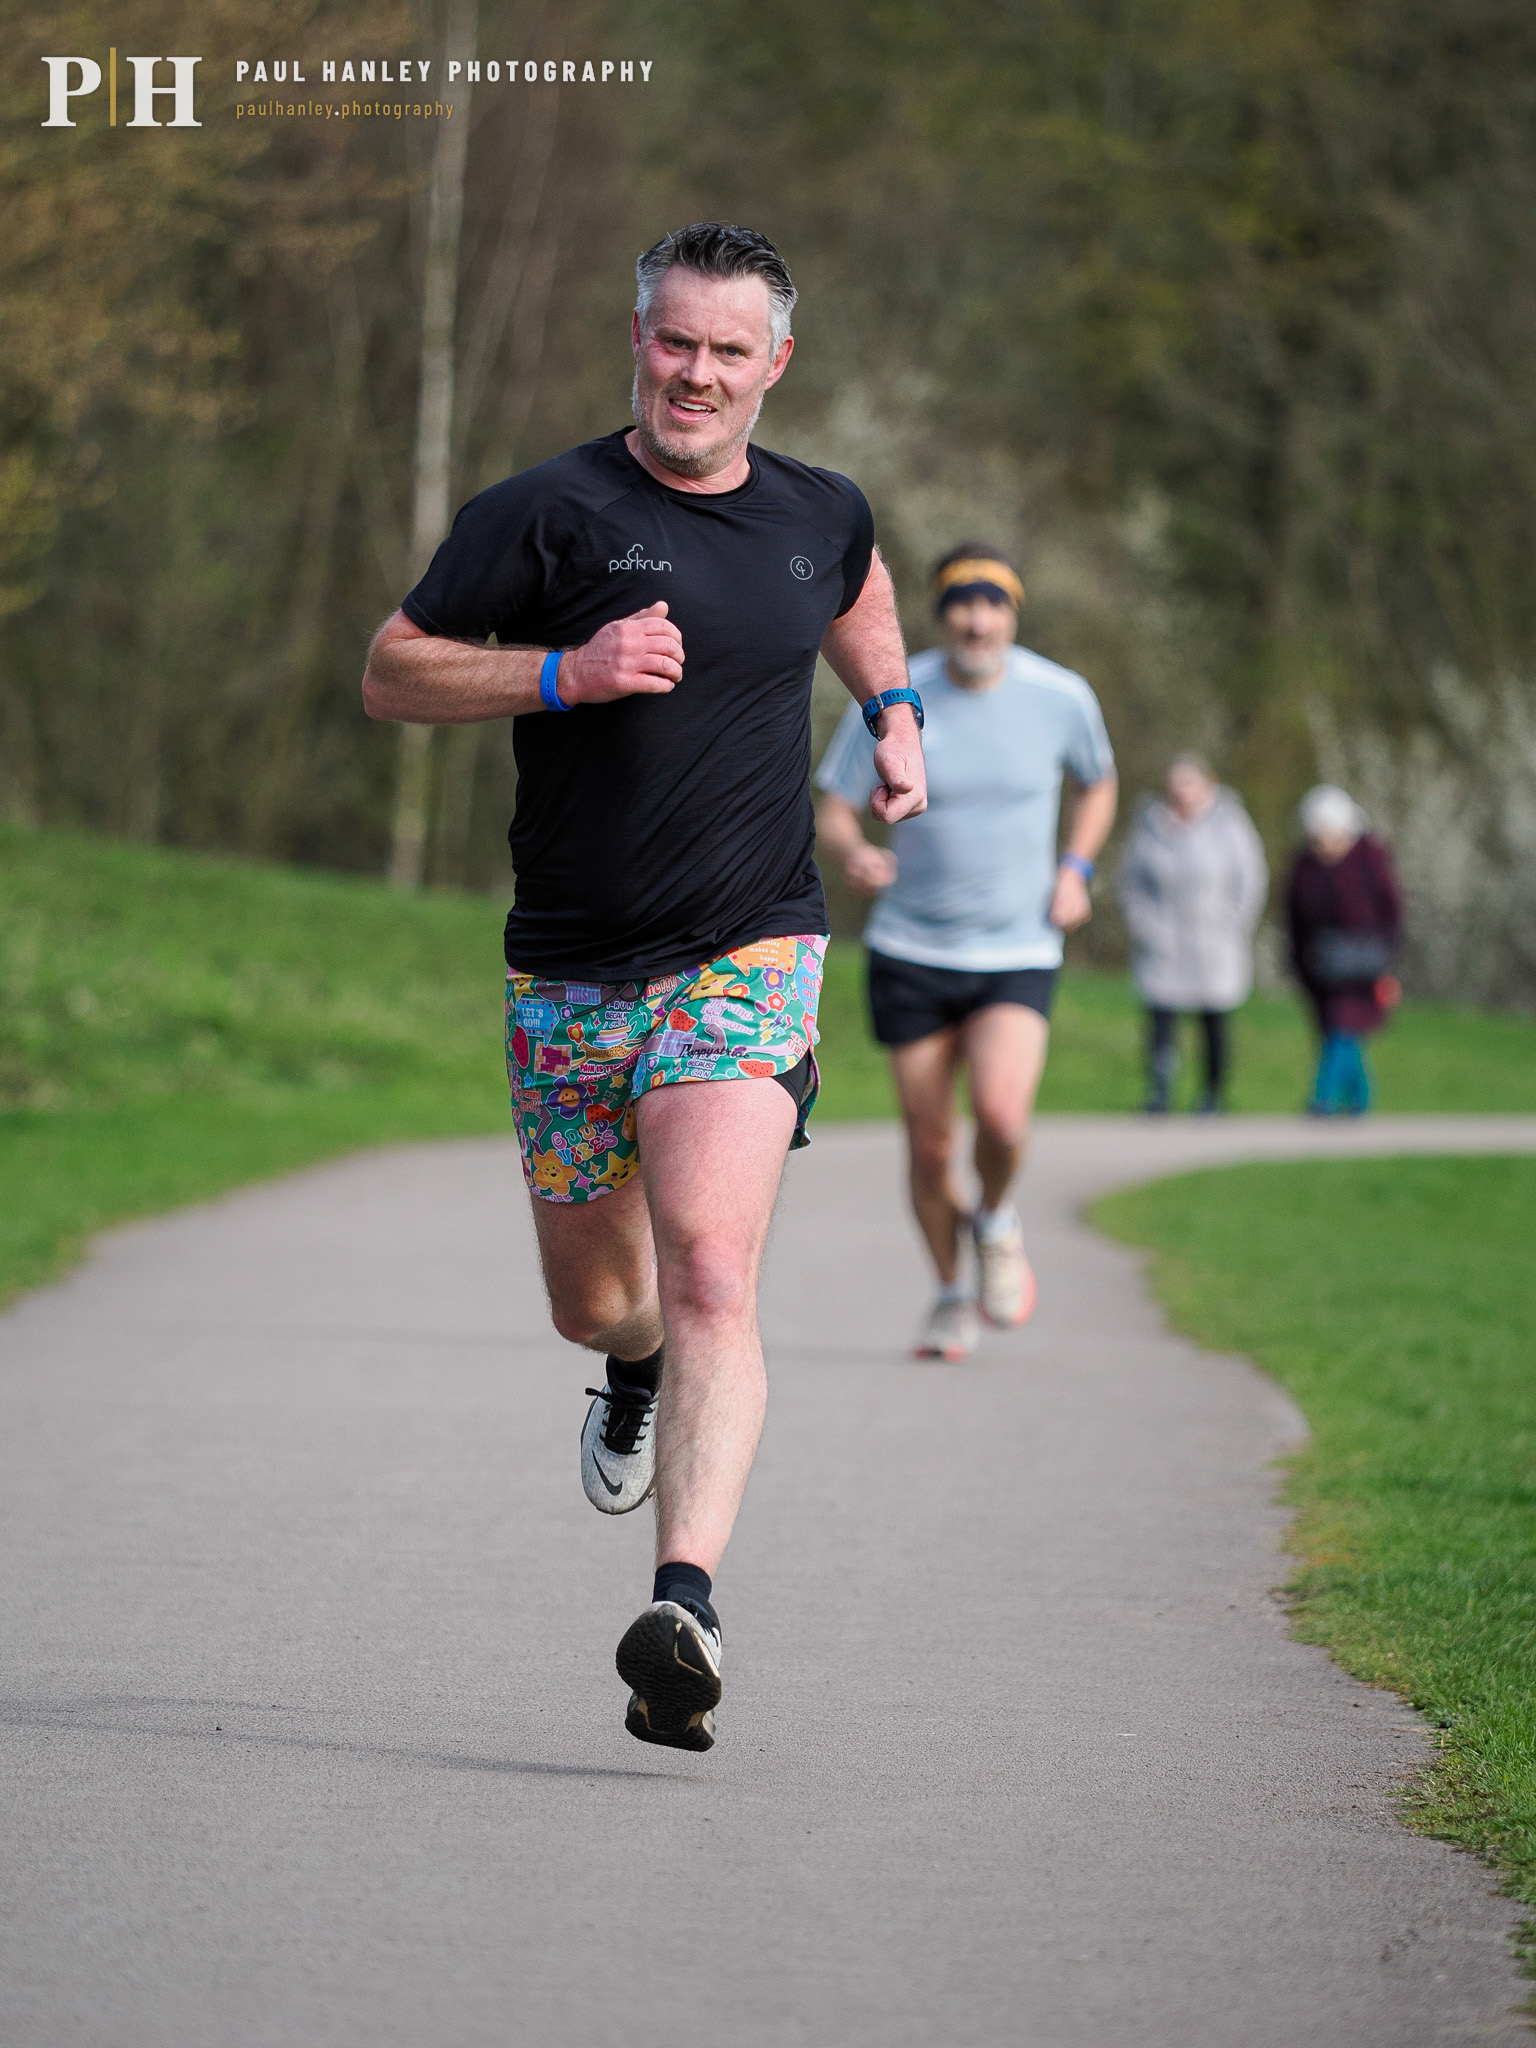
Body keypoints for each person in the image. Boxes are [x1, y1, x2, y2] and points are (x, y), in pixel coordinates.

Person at [361, 222, 926, 1752]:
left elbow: (857, 592)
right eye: (675, 342)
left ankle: (683, 1607)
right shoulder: (543, 513)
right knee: (603, 1302)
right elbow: (393, 670)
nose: (697, 372)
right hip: (568, 968)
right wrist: (564, 672)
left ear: (775, 365)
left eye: (728, 351)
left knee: (716, 1266)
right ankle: (630, 1372)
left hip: (748, 948)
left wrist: (897, 713)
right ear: (639, 342)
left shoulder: (820, 511)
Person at [815, 544, 1117, 1362]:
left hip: (1018, 945)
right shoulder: (895, 698)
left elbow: (1100, 781)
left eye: (992, 604)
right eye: (961, 603)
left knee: (1002, 1115)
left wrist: (1076, 870)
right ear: (940, 613)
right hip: (912, 948)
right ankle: (950, 1294)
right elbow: (835, 805)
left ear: (1013, 614)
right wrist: (853, 853)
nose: (976, 619)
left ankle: (996, 1218)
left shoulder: (1061, 697)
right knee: (929, 1145)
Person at [1118, 754, 1269, 1113]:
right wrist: (1145, 926)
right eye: (1175, 785)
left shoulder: (1230, 823)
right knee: (1161, 1024)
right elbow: (1131, 883)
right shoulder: (1150, 824)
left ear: (1208, 785)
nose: (1181, 792)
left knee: (1213, 1023)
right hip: (1164, 943)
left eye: (1189, 784)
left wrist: (1232, 922)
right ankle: (1160, 1091)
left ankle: (1212, 1094)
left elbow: (1250, 878)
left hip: (1214, 942)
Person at [1286, 784, 1403, 1115]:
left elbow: (1391, 910)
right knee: (1338, 1030)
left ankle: (1321, 1097)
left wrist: (1387, 955)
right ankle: (1360, 1097)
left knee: (1343, 1025)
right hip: (1322, 963)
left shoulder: (1370, 859)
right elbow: (1295, 916)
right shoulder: (1304, 868)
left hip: (1363, 961)